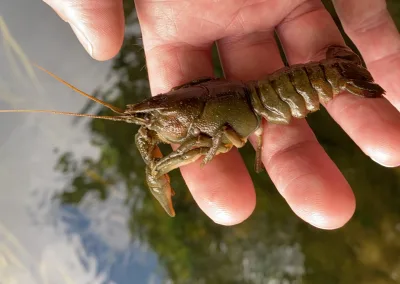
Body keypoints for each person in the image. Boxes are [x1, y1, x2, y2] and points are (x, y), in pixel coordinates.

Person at [44, 0, 400, 229]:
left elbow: (218, 135)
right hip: (258, 94)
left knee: (158, 164)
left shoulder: (211, 123)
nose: (150, 124)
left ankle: (339, 73)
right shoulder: (182, 99)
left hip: (274, 98)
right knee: (149, 140)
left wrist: (204, 148)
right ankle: (340, 70)